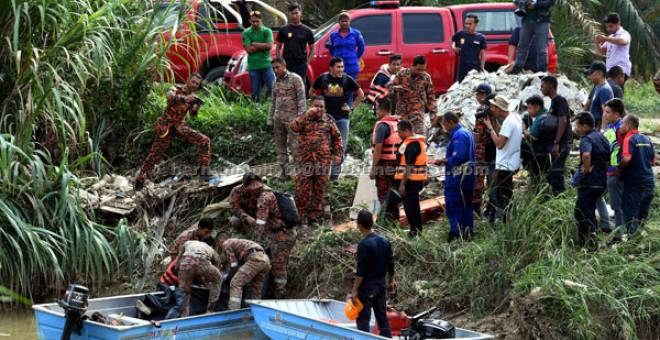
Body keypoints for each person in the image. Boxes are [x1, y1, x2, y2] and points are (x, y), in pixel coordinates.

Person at [135, 73, 209, 190]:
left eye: (197, 84)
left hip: (180, 127)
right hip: (166, 126)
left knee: (204, 140)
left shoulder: (193, 97)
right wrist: (184, 98)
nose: (194, 85)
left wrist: (195, 108)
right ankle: (140, 179)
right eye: (193, 82)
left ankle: (204, 173)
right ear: (188, 80)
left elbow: (193, 116)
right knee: (155, 155)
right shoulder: (176, 89)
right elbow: (169, 97)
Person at [241, 172, 297, 298]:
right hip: (285, 233)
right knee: (279, 262)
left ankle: (280, 294)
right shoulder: (270, 191)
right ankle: (277, 289)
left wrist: (255, 242)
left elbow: (260, 223)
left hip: (282, 236)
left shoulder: (263, 198)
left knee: (278, 266)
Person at [290, 97, 344, 227]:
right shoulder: (304, 118)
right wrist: (306, 114)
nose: (319, 109)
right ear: (311, 106)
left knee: (319, 190)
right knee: (302, 189)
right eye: (316, 106)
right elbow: (293, 127)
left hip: (322, 162)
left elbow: (337, 138)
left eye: (321, 106)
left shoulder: (328, 120)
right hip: (305, 161)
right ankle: (300, 217)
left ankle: (313, 217)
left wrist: (338, 154)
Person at [311, 57, 364, 183]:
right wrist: (318, 105)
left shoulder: (347, 79)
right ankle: (322, 175)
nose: (341, 69)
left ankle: (334, 177)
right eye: (338, 67)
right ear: (331, 68)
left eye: (342, 67)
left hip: (342, 118)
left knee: (340, 148)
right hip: (326, 119)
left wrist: (351, 108)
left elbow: (360, 94)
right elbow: (311, 92)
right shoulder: (323, 78)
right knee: (324, 147)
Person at [351, 210, 395, 337]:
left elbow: (361, 271)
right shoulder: (384, 241)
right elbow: (391, 264)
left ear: (359, 225)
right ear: (372, 222)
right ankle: (388, 338)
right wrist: (391, 281)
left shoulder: (364, 244)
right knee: (382, 317)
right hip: (380, 285)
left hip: (367, 287)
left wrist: (355, 290)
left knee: (363, 319)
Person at [433, 112, 476, 241]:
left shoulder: (459, 136)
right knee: (466, 205)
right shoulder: (466, 132)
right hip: (467, 177)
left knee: (454, 206)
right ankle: (468, 232)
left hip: (457, 178)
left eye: (444, 124)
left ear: (450, 122)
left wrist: (443, 161)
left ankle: (456, 233)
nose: (444, 127)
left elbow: (458, 157)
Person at [382, 120, 427, 238]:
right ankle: (386, 228)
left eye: (400, 132)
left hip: (410, 182)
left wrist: (402, 184)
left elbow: (409, 166)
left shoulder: (413, 144)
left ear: (407, 131)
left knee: (411, 208)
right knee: (390, 203)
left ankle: (416, 232)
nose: (398, 134)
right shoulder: (407, 142)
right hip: (403, 181)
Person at [572, 112, 609, 250]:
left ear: (584, 126)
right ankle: (588, 241)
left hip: (589, 182)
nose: (576, 128)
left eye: (577, 125)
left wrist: (587, 169)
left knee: (582, 213)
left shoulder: (586, 139)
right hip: (600, 181)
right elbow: (607, 160)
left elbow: (586, 154)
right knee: (588, 211)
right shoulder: (602, 137)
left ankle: (589, 245)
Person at [616, 115, 656, 241]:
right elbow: (653, 161)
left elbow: (626, 158)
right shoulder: (647, 139)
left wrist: (619, 169)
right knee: (642, 216)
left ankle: (632, 245)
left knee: (630, 216)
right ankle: (642, 244)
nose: (620, 126)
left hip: (635, 184)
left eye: (622, 124)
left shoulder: (629, 138)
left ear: (628, 126)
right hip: (649, 183)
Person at [483, 95, 522, 223]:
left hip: (505, 165)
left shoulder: (509, 122)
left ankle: (503, 225)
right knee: (507, 194)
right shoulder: (515, 117)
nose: (491, 109)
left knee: (501, 197)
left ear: (499, 108)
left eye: (493, 107)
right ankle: (511, 221)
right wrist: (494, 123)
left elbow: (499, 144)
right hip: (512, 163)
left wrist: (489, 128)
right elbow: (504, 134)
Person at [269, 57, 306, 180]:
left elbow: (301, 99)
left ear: (284, 66)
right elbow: (273, 101)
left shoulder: (295, 79)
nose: (275, 70)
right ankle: (284, 174)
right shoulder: (275, 82)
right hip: (278, 119)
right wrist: (270, 118)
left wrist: (301, 118)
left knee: (295, 146)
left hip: (292, 119)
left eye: (277, 67)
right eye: (273, 68)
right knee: (280, 148)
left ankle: (300, 174)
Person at [216, 236, 271, 310]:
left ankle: (233, 310)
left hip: (255, 258)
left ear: (219, 241)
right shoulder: (240, 242)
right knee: (255, 288)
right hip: (265, 260)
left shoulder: (226, 243)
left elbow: (234, 264)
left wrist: (231, 277)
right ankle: (255, 310)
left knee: (235, 283)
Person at [596, 99, 625, 237]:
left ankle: (619, 235)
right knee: (599, 195)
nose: (605, 115)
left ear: (617, 114)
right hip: (608, 170)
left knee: (617, 205)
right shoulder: (611, 127)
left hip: (615, 171)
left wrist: (618, 169)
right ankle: (607, 225)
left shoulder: (621, 129)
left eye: (607, 112)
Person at [388, 55, 437, 135]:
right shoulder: (402, 74)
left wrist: (433, 115)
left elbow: (431, 97)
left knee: (420, 136)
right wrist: (396, 89)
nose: (421, 72)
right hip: (402, 112)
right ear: (412, 66)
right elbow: (389, 87)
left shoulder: (426, 78)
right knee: (400, 136)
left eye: (423, 70)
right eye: (418, 69)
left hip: (417, 114)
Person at [540, 75, 572, 194]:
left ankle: (561, 200)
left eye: (543, 86)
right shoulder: (555, 102)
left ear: (550, 86)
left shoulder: (559, 100)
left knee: (556, 174)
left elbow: (563, 120)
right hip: (559, 143)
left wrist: (556, 143)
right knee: (553, 174)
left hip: (562, 144)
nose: (541, 88)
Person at [176, 240, 222, 317]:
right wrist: (206, 279)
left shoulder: (188, 242)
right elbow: (217, 264)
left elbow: (178, 259)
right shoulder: (211, 250)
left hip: (185, 263)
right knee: (218, 279)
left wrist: (181, 273)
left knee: (185, 290)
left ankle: (184, 314)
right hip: (202, 261)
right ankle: (210, 309)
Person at [510, 0, 555, 74]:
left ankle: (542, 72)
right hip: (526, 20)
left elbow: (551, 2)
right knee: (522, 47)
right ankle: (517, 69)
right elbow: (516, 2)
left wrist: (535, 5)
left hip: (542, 21)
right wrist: (521, 3)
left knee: (542, 49)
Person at [471, 83, 497, 215]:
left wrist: (472, 148)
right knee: (491, 177)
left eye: (481, 94)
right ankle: (490, 207)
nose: (478, 96)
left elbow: (477, 134)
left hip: (482, 149)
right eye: (477, 94)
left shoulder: (482, 111)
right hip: (493, 148)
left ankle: (476, 207)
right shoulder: (494, 109)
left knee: (478, 178)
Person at [370, 100, 401, 204]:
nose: (376, 112)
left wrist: (373, 168)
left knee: (383, 193)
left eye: (377, 109)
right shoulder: (398, 123)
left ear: (383, 110)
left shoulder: (382, 126)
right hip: (396, 163)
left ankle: (385, 218)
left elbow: (378, 148)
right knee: (393, 192)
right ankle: (393, 217)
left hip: (384, 164)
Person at [276, 3, 314, 84]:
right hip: (287, 64)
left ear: (301, 13)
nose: (294, 15)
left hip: (301, 65)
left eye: (296, 13)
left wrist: (307, 63)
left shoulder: (307, 31)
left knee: (300, 88)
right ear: (289, 14)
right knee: (287, 87)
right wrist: (280, 62)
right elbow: (278, 47)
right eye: (292, 13)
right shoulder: (283, 30)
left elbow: (312, 48)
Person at [243, 11, 275, 102]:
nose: (255, 23)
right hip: (253, 66)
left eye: (257, 21)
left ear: (261, 20)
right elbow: (249, 50)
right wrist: (263, 46)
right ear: (250, 21)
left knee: (273, 88)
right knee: (255, 91)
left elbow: (269, 46)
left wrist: (254, 43)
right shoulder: (246, 33)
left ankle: (275, 107)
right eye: (253, 21)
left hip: (266, 64)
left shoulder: (267, 31)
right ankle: (256, 110)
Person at [521, 95, 552, 185]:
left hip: (540, 153)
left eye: (530, 108)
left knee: (537, 177)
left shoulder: (540, 119)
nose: (528, 110)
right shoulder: (547, 113)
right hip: (547, 152)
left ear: (537, 107)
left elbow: (533, 138)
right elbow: (525, 117)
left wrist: (525, 132)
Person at [325, 12, 365, 82]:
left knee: (350, 88)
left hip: (351, 66)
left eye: (346, 21)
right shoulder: (333, 35)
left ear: (349, 21)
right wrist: (336, 57)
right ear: (339, 22)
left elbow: (361, 48)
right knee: (338, 88)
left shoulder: (356, 34)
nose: (344, 23)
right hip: (337, 66)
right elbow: (330, 48)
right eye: (342, 21)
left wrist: (355, 57)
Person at [595, 13, 632, 80]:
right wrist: (597, 43)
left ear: (618, 24)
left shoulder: (624, 34)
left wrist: (605, 38)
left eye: (611, 26)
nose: (608, 29)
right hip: (610, 71)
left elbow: (623, 41)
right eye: (607, 27)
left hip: (620, 70)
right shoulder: (610, 37)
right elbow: (601, 52)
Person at [452, 14, 487, 82]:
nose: (467, 26)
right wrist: (454, 47)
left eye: (470, 24)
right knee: (461, 85)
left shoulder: (481, 37)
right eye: (466, 23)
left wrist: (482, 67)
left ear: (476, 24)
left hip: (475, 67)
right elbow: (453, 40)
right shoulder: (461, 34)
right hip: (462, 67)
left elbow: (483, 54)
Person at [585, 61, 614, 131]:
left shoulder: (605, 90)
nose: (589, 76)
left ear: (600, 73)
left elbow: (607, 114)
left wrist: (602, 132)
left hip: (598, 128)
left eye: (591, 73)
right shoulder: (597, 87)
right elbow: (587, 105)